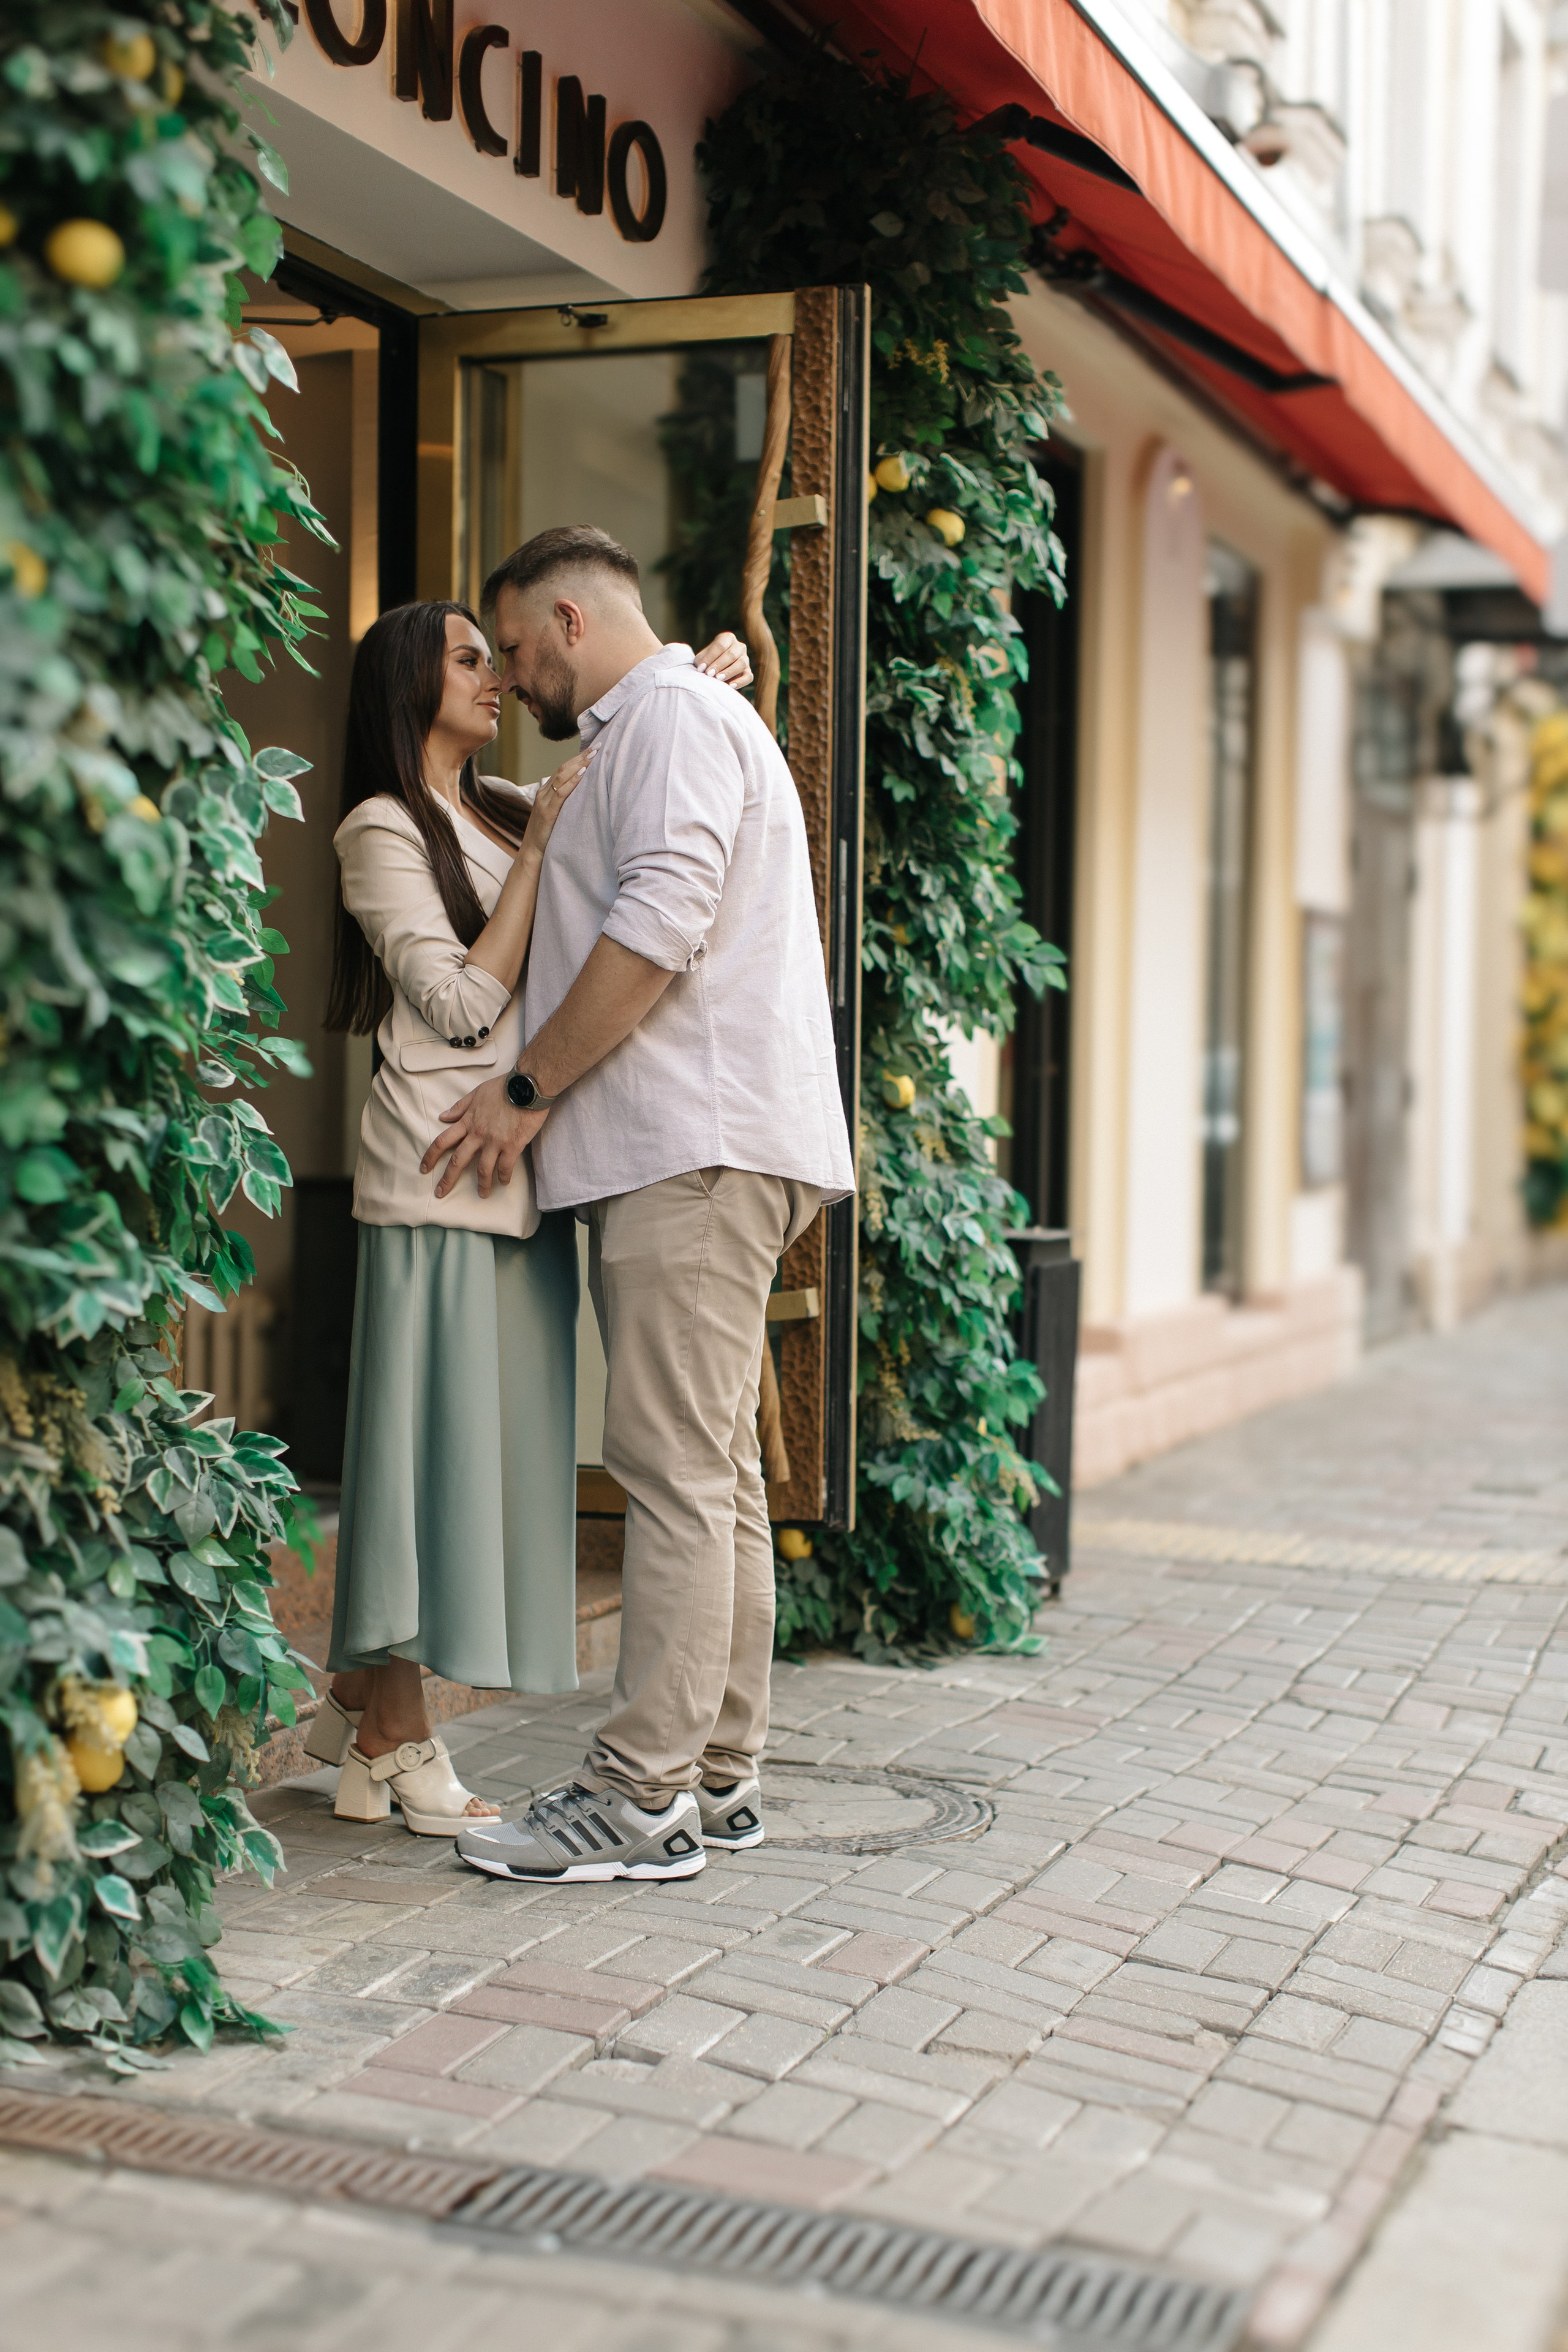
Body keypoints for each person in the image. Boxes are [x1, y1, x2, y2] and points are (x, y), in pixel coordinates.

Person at [420, 526, 856, 1885]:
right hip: (725, 1143)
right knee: (714, 1473)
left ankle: (639, 1795)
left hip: (695, 1149)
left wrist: (527, 1088)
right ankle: (715, 1778)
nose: (513, 677)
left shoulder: (669, 719)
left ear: (564, 618)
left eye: (511, 649)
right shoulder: (668, 718)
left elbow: (658, 928)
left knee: (669, 1473)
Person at [305, 597, 752, 1837]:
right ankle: (395, 1736)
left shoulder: (507, 806)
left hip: (522, 1185)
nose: (496, 676)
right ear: (409, 684)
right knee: (420, 1470)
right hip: (439, 1181)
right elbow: (453, 1005)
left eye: (495, 654)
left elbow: (629, 740)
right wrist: (541, 854)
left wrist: (705, 673)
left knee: (472, 1470)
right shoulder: (378, 829)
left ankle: (360, 1716)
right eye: (466, 659)